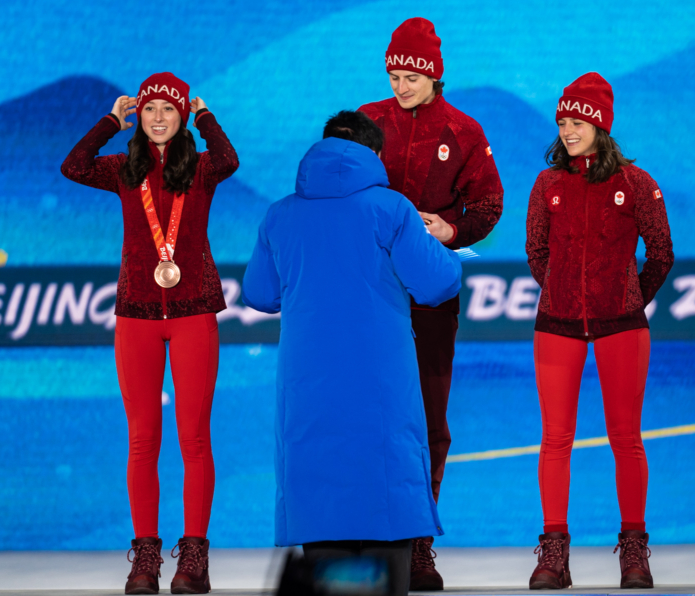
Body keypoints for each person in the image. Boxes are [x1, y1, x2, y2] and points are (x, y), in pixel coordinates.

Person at [241, 110, 462, 596]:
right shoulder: (391, 209)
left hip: (308, 385)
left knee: (323, 543)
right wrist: (440, 242)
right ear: (375, 155)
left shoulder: (279, 214)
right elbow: (438, 282)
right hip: (383, 383)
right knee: (388, 499)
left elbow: (259, 293)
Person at [61, 72, 239, 594]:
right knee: (142, 440)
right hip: (136, 314)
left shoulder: (202, 169)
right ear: (139, 117)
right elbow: (73, 166)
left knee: (194, 438)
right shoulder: (122, 169)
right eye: (150, 110)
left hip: (192, 312)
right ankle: (144, 558)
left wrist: (207, 115)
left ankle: (194, 561)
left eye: (170, 110)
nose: (159, 119)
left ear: (183, 116)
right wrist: (110, 121)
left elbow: (230, 159)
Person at [358, 17, 503, 590]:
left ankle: (418, 545)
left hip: (430, 295)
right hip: (367, 294)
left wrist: (451, 229)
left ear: (434, 74)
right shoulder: (365, 122)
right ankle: (369, 541)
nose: (401, 82)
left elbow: (488, 204)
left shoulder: (463, 131)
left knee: (428, 421)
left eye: (411, 73)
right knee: (370, 417)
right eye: (394, 72)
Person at [524, 73, 674, 590]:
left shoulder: (636, 183)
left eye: (578, 121)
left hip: (622, 329)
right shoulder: (547, 185)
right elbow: (537, 254)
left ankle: (634, 550)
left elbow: (661, 253)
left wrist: (624, 297)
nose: (568, 130)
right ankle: (553, 553)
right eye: (562, 121)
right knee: (555, 440)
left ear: (600, 125)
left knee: (626, 438)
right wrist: (566, 292)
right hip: (556, 327)